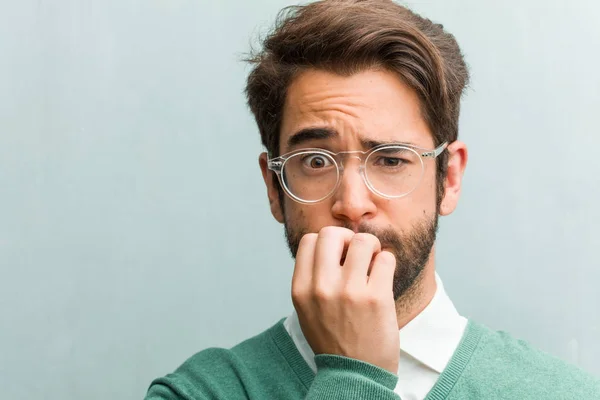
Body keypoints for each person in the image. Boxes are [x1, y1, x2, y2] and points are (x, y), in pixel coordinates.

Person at [145, 1, 600, 399]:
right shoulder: (200, 393)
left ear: (450, 177)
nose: (352, 203)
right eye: (316, 162)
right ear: (273, 187)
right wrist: (353, 377)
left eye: (390, 159)